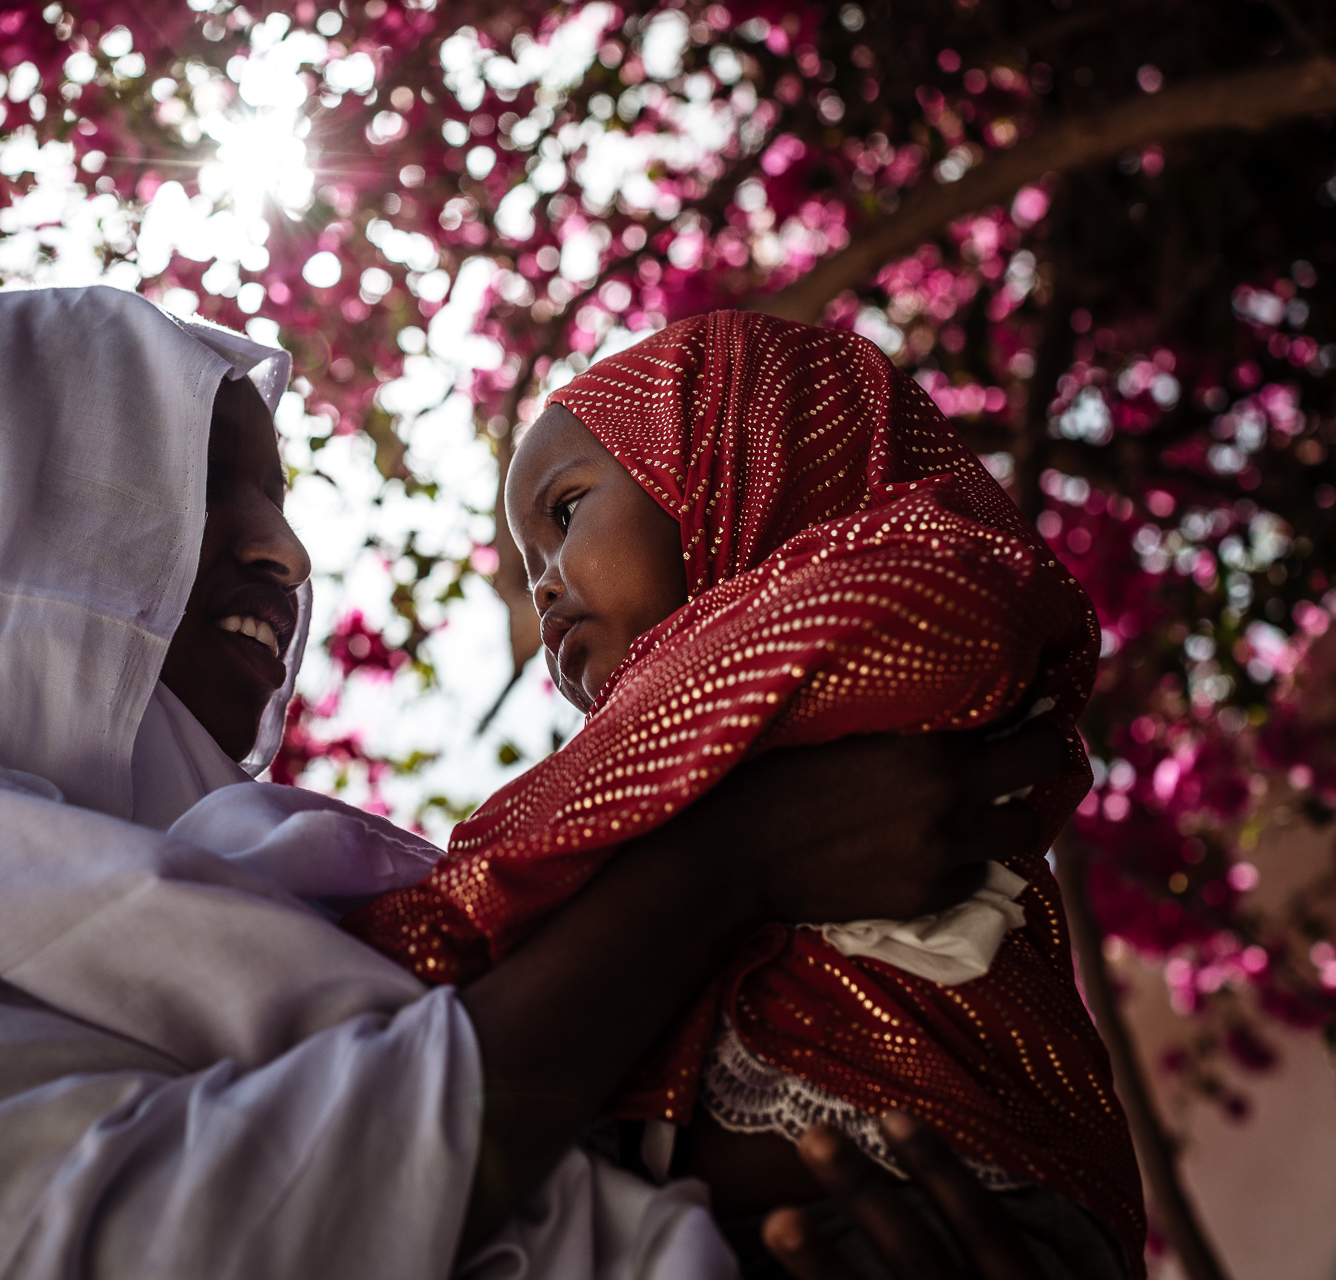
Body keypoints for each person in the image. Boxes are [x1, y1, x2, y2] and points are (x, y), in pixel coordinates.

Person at [0, 286, 1076, 1278]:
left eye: (279, 506)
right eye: (175, 490)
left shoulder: (314, 897)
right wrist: (720, 869)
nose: (282, 556)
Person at [344, 313, 1141, 1279]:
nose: (545, 589)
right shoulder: (688, 736)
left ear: (734, 461)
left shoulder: (896, 575)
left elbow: (519, 861)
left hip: (960, 1216)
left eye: (563, 515)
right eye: (528, 569)